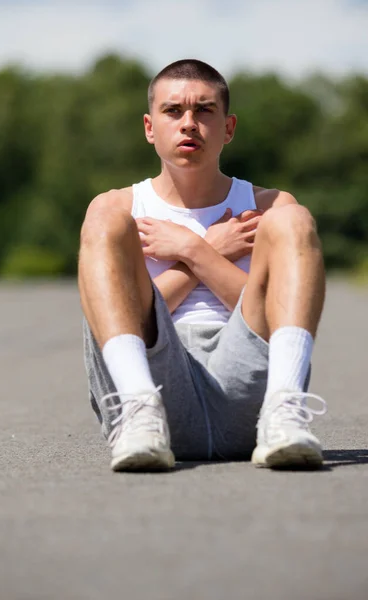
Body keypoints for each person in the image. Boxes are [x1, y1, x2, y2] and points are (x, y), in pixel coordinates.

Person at [78, 59, 327, 472]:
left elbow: (269, 313)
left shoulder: (266, 208)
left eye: (204, 110)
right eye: (173, 111)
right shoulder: (123, 209)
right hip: (154, 384)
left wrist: (194, 250)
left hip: (249, 393)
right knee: (103, 217)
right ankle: (138, 410)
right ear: (149, 127)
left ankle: (285, 410)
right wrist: (205, 251)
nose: (189, 123)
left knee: (294, 218)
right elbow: (126, 319)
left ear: (228, 128)